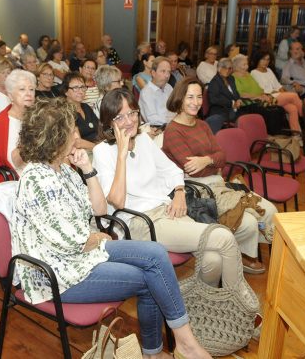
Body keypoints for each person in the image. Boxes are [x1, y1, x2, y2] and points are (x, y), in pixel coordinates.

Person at [13, 95, 212, 359]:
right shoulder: (37, 180)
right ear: (56, 138)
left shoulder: (63, 169)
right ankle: (163, 351)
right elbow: (74, 241)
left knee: (154, 253)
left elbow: (98, 210)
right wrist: (96, 237)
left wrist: (86, 168)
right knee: (149, 277)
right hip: (58, 274)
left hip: (80, 256)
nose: (77, 136)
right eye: (72, 130)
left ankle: (180, 344)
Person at [92, 88, 245, 288]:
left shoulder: (144, 140)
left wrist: (180, 193)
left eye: (132, 113)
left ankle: (196, 304)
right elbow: (117, 201)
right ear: (108, 123)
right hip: (141, 222)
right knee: (223, 237)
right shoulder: (102, 151)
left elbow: (172, 170)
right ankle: (240, 303)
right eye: (120, 117)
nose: (129, 121)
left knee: (213, 260)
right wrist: (121, 154)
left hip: (168, 210)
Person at [163, 78, 276, 273]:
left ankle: (242, 250)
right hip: (197, 189)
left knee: (269, 209)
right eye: (190, 97)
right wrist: (213, 162)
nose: (196, 102)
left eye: (199, 97)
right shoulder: (172, 131)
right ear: (179, 99)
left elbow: (222, 156)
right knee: (248, 221)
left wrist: (207, 160)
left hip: (217, 182)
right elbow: (191, 168)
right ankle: (241, 254)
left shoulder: (202, 125)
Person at [0, 69, 36, 176]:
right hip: (13, 181)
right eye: (22, 89)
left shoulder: (40, 118)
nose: (29, 94)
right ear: (10, 95)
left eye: (31, 89)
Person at [233, 54, 303, 132]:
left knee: (292, 108)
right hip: (254, 101)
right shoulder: (235, 77)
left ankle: (296, 134)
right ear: (236, 66)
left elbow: (259, 88)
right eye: (244, 64)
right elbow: (241, 94)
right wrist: (259, 96)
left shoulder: (248, 74)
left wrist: (263, 94)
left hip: (264, 96)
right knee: (294, 96)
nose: (247, 66)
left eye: (247, 64)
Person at [62, 72, 99, 151]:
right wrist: (99, 148)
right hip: (83, 153)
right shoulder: (65, 112)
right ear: (66, 91)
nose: (81, 91)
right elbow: (78, 143)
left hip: (97, 147)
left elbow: (99, 128)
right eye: (75, 88)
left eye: (82, 87)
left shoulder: (86, 107)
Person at [205, 58, 241, 134]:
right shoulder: (215, 81)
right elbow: (213, 99)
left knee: (249, 113)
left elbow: (235, 92)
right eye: (225, 68)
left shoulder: (231, 78)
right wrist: (231, 103)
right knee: (241, 118)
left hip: (233, 108)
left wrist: (238, 99)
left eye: (230, 68)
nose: (228, 70)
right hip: (220, 110)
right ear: (219, 68)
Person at [139, 56, 174, 128]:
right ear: (153, 73)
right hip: (158, 130)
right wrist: (174, 122)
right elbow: (152, 120)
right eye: (163, 71)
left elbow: (176, 108)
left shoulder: (169, 87)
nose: (167, 75)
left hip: (173, 127)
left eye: (169, 72)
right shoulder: (146, 92)